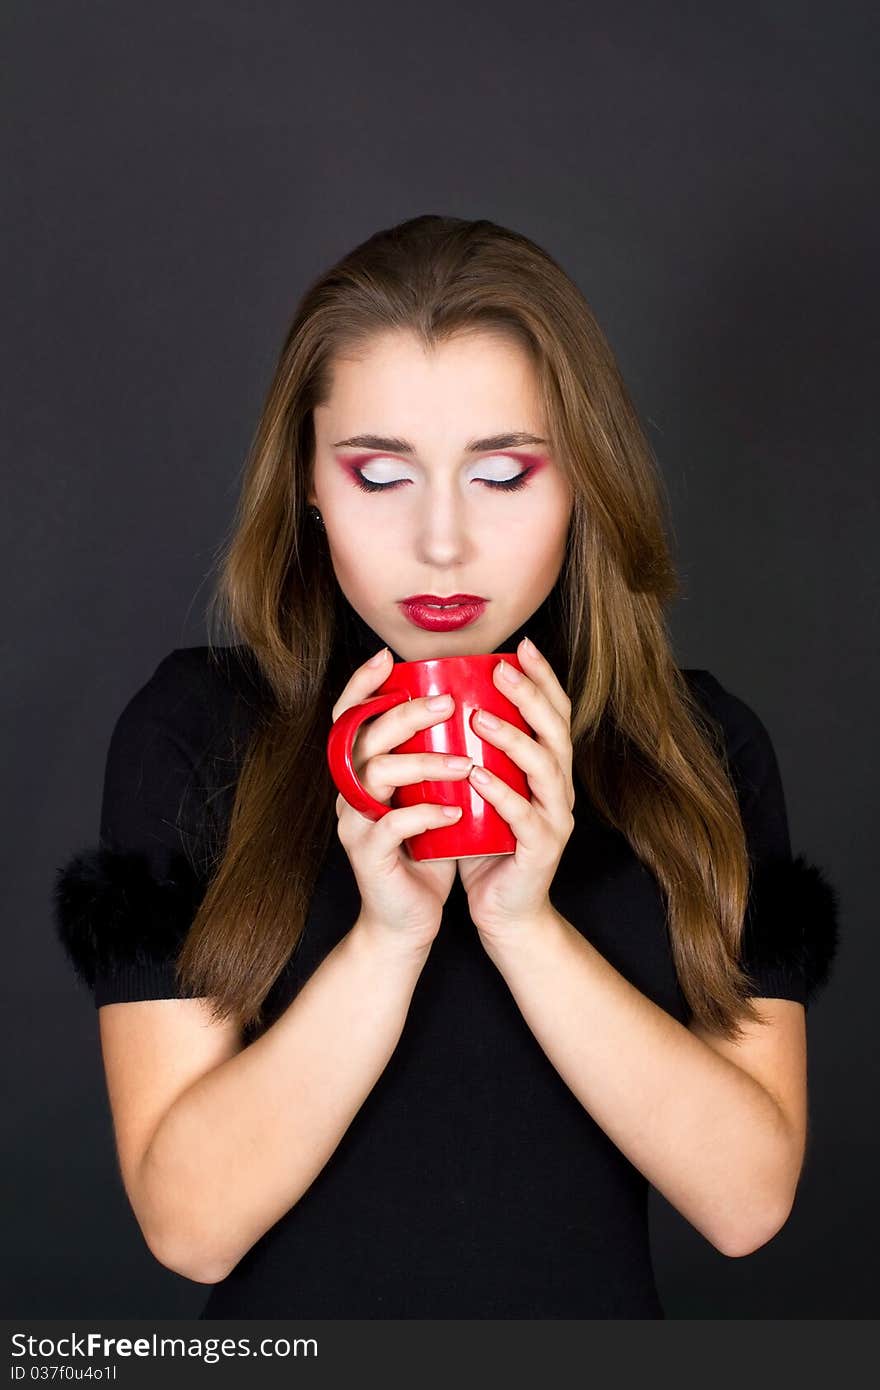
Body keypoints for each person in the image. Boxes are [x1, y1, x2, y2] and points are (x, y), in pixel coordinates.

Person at [52, 214, 840, 1318]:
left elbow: (746, 1201)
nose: (440, 543)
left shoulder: (693, 752)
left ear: (581, 482)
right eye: (379, 475)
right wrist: (389, 936)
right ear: (310, 482)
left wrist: (526, 927)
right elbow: (188, 1227)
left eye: (505, 474)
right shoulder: (195, 732)